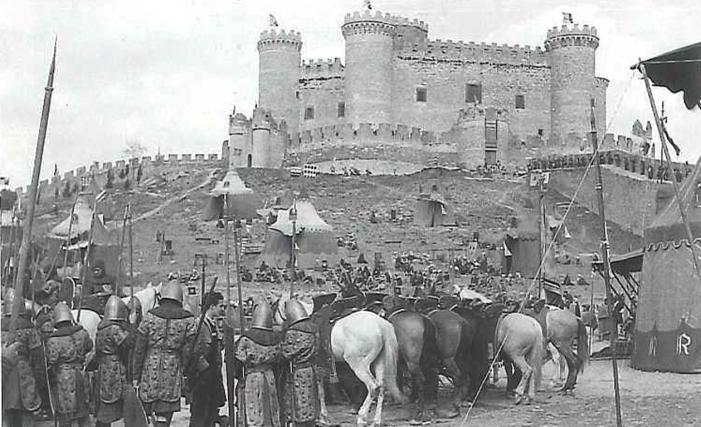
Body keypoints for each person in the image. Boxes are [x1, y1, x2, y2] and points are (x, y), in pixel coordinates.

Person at [132, 282, 200, 427]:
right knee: (165, 414)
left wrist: (135, 376)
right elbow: (189, 352)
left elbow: (139, 349)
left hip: (150, 368)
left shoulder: (150, 316)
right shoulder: (188, 320)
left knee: (147, 414)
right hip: (172, 369)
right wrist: (186, 373)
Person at [45, 301, 93, 427]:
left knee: (65, 415)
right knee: (83, 412)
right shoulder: (81, 333)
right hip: (80, 374)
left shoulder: (53, 340)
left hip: (63, 378)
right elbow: (89, 346)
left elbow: (51, 359)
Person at [234, 299, 281, 427]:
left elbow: (236, 361)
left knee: (253, 413)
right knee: (269, 411)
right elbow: (279, 361)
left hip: (251, 378)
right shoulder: (276, 338)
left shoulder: (246, 338)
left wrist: (239, 376)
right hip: (269, 377)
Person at [1, 288, 43, 426]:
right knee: (26, 416)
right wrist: (40, 379)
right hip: (24, 373)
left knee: (6, 414)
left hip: (4, 372)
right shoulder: (29, 327)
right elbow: (38, 356)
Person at [188, 292, 227, 427]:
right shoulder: (201, 325)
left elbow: (216, 348)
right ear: (211, 306)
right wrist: (206, 373)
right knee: (200, 416)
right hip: (203, 379)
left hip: (212, 376)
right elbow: (196, 352)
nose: (223, 309)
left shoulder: (212, 324)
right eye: (221, 306)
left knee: (210, 414)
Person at [94, 296, 134, 427]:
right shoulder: (114, 329)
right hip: (114, 368)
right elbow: (127, 344)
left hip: (103, 366)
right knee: (111, 403)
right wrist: (132, 327)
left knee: (106, 401)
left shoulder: (101, 328)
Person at [281, 300, 320, 427]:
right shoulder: (314, 328)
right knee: (311, 401)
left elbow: (286, 353)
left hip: (297, 371)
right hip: (310, 369)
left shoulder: (293, 331)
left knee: (299, 402)